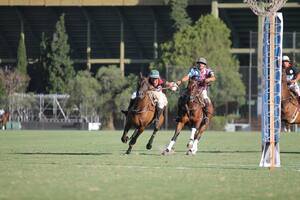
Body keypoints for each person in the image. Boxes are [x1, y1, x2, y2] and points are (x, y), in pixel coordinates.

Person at [176, 57, 216, 121]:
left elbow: (213, 78)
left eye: (202, 63)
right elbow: (187, 76)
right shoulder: (194, 70)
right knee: (181, 97)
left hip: (202, 89)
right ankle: (179, 115)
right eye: (199, 63)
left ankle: (206, 116)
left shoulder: (208, 71)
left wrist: (208, 79)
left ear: (205, 65)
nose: (200, 64)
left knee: (206, 100)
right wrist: (181, 81)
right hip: (192, 89)